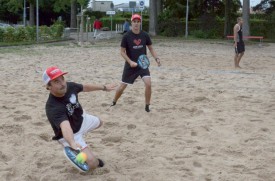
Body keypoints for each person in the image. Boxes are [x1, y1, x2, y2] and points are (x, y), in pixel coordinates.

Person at [42, 66, 116, 170]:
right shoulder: (53, 107)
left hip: (81, 119)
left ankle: (81, 142)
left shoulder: (69, 86)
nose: (62, 83)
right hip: (71, 134)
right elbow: (65, 127)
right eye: (56, 81)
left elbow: (85, 87)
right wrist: (73, 143)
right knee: (92, 164)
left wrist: (104, 87)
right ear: (48, 86)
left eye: (62, 78)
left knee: (100, 122)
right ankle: (71, 147)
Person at [111, 14, 161, 112]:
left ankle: (147, 106)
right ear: (132, 22)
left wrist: (156, 58)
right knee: (122, 87)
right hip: (130, 65)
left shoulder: (145, 35)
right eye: (134, 21)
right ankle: (114, 101)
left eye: (138, 21)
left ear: (140, 23)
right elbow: (122, 52)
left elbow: (151, 48)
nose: (136, 23)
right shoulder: (126, 36)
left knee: (148, 84)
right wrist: (130, 62)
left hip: (142, 64)